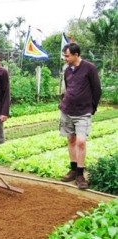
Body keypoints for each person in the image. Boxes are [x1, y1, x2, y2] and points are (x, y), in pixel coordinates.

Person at [59, 42, 102, 189]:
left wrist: (92, 108)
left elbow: (97, 90)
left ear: (76, 55)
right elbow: (68, 87)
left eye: (67, 55)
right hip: (67, 110)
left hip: (83, 112)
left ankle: (80, 174)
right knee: (71, 139)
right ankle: (72, 169)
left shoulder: (89, 68)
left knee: (81, 142)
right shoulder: (67, 70)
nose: (65, 58)